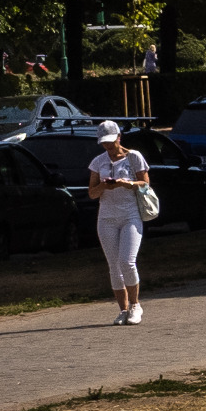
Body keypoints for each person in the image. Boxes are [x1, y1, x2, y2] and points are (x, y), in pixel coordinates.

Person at [88, 120, 151, 324]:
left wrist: (127, 183)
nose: (107, 146)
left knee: (127, 261)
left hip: (130, 215)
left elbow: (145, 184)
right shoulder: (98, 162)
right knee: (114, 266)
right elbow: (92, 193)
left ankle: (135, 305)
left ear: (118, 137)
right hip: (106, 217)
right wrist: (105, 187)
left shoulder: (134, 157)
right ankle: (123, 310)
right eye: (103, 142)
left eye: (110, 141)